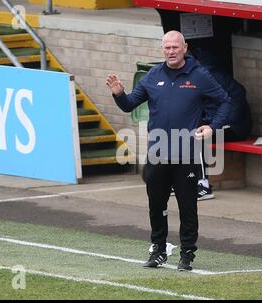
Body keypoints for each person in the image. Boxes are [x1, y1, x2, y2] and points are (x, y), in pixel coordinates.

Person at [105, 31, 231, 270]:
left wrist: (213, 127)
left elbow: (224, 101)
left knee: (187, 206)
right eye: (167, 48)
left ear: (185, 48)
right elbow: (129, 104)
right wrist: (119, 93)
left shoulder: (199, 75)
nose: (171, 51)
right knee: (156, 205)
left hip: (187, 153)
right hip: (158, 153)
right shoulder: (153, 76)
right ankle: (159, 250)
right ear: (162, 49)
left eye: (175, 47)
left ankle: (187, 254)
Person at [196, 66, 252, 200]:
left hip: (234, 126)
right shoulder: (185, 81)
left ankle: (203, 186)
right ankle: (181, 181)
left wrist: (219, 124)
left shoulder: (212, 77)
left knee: (198, 137)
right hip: (212, 123)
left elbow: (238, 94)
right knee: (180, 132)